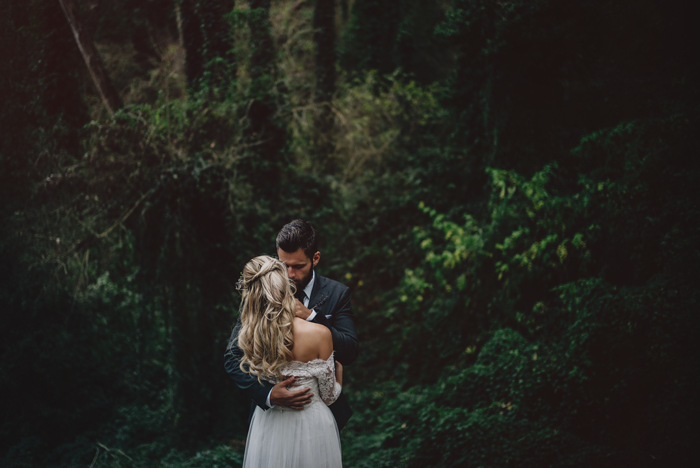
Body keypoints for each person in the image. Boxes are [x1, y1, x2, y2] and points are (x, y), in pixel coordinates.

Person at [224, 220, 359, 428]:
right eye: (283, 265)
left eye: (298, 266)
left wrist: (312, 317)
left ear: (315, 258)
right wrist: (268, 394)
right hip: (271, 417)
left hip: (320, 419)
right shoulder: (262, 293)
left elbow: (349, 352)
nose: (288, 275)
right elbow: (233, 356)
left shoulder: (337, 293)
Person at [232, 256, 343, 467]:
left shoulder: (252, 335)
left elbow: (237, 361)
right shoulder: (320, 334)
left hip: (269, 424)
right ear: (286, 287)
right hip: (312, 426)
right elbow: (329, 397)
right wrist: (339, 373)